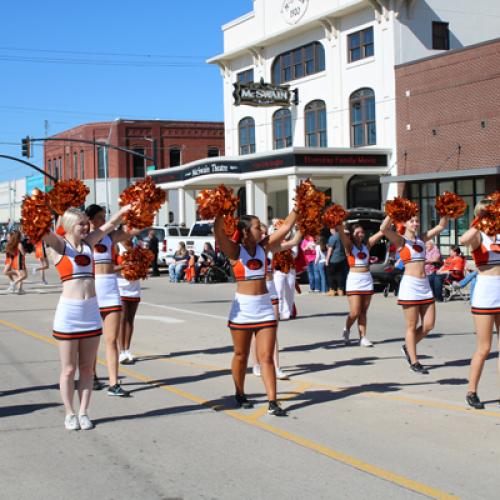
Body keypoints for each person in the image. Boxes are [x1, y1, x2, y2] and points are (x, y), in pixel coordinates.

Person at [42, 205, 130, 430]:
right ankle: (69, 413)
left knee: (88, 368)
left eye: (86, 223)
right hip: (69, 314)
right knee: (69, 369)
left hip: (90, 311)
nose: (86, 226)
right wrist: (37, 213)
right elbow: (44, 233)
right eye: (81, 223)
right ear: (70, 225)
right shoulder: (61, 246)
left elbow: (110, 225)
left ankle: (83, 412)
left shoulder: (90, 243)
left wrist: (126, 209)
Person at [213, 207, 299, 416]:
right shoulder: (235, 251)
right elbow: (218, 234)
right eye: (257, 226)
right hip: (243, 309)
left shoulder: (264, 246)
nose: (261, 229)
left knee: (266, 357)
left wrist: (300, 206)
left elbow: (287, 226)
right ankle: (240, 393)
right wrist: (219, 213)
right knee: (241, 355)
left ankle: (273, 401)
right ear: (244, 231)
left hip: (264, 307)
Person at [381, 210, 449, 374]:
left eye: (417, 221)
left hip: (424, 285)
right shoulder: (401, 240)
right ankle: (414, 361)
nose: (415, 223)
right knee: (411, 326)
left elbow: (441, 225)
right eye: (411, 221)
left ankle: (407, 347)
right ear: (404, 224)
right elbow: (384, 228)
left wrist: (447, 211)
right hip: (410, 286)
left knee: (428, 325)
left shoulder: (422, 238)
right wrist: (391, 212)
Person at [85, 204, 134, 397]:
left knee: (111, 339)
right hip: (92, 290)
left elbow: (134, 230)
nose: (103, 220)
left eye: (104, 216)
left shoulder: (109, 237)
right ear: (90, 219)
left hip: (111, 289)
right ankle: (93, 375)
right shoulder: (84, 239)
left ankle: (114, 384)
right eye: (99, 217)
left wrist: (145, 210)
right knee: (93, 339)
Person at [459, 199, 500, 409]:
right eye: (487, 211)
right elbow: (463, 239)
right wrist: (479, 221)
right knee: (484, 348)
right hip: (486, 291)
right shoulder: (478, 234)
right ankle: (471, 391)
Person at [252, 223, 300, 381]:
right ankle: (256, 364)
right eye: (260, 231)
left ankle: (277, 367)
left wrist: (304, 227)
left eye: (265, 231)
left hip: (271, 290)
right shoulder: (248, 249)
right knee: (256, 331)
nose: (263, 234)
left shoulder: (270, 248)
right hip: (256, 291)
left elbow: (293, 242)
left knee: (273, 330)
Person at [337, 224, 384, 347]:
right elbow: (342, 234)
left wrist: (391, 217)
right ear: (352, 234)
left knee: (363, 311)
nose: (360, 234)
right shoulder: (349, 246)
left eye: (362, 232)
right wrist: (338, 223)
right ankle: (347, 329)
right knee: (355, 311)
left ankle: (362, 337)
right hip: (354, 280)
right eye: (357, 232)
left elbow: (382, 232)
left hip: (367, 280)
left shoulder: (366, 245)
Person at [115, 240, 141, 365]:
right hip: (121, 287)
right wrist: (125, 267)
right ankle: (121, 352)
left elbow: (143, 264)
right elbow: (109, 267)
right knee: (122, 319)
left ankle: (127, 349)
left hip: (134, 287)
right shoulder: (116, 245)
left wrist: (141, 269)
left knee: (130, 319)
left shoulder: (137, 246)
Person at [3, 230, 27, 294]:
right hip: (19, 261)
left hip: (17, 260)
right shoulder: (19, 244)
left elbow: (12, 253)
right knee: (23, 276)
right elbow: (23, 253)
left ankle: (19, 289)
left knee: (22, 275)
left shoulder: (14, 243)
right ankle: (14, 284)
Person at [325, 227, 348, 296]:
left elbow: (330, 249)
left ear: (332, 229)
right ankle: (340, 289)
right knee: (340, 275)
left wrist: (327, 260)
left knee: (330, 275)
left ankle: (332, 289)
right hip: (342, 258)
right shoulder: (343, 236)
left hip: (334, 259)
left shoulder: (333, 237)